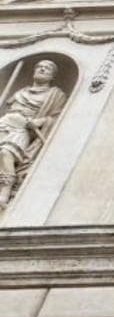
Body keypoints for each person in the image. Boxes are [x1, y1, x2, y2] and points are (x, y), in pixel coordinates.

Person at [0, 60, 68, 208]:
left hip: (24, 128)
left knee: (6, 153)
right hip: (5, 123)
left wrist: (40, 121)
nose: (42, 69)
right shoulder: (20, 92)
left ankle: (4, 192)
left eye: (47, 68)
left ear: (52, 76)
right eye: (39, 67)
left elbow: (56, 117)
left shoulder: (55, 94)